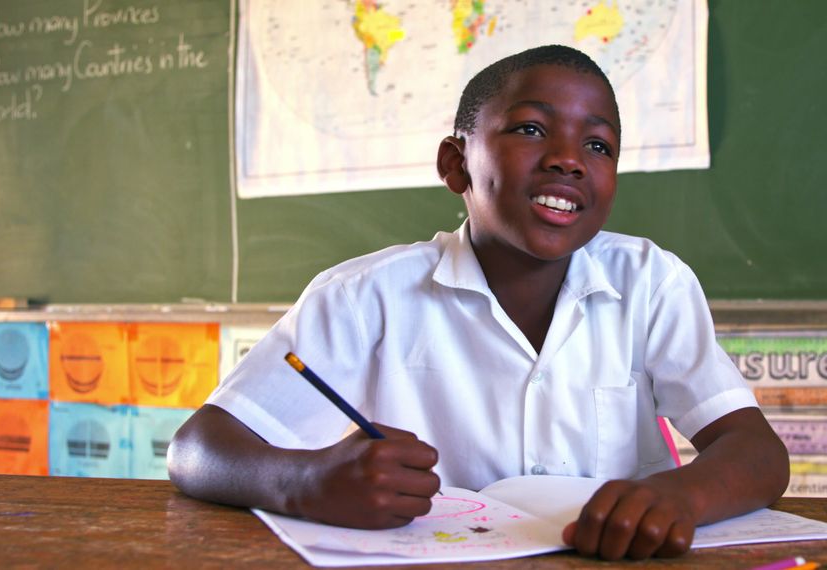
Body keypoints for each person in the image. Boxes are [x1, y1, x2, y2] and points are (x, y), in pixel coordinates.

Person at [168, 44, 789, 561]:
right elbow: (197, 450)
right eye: (530, 129)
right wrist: (306, 482)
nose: (568, 159)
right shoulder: (365, 298)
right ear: (456, 163)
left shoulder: (651, 282)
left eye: (598, 146)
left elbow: (757, 453)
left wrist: (684, 496)